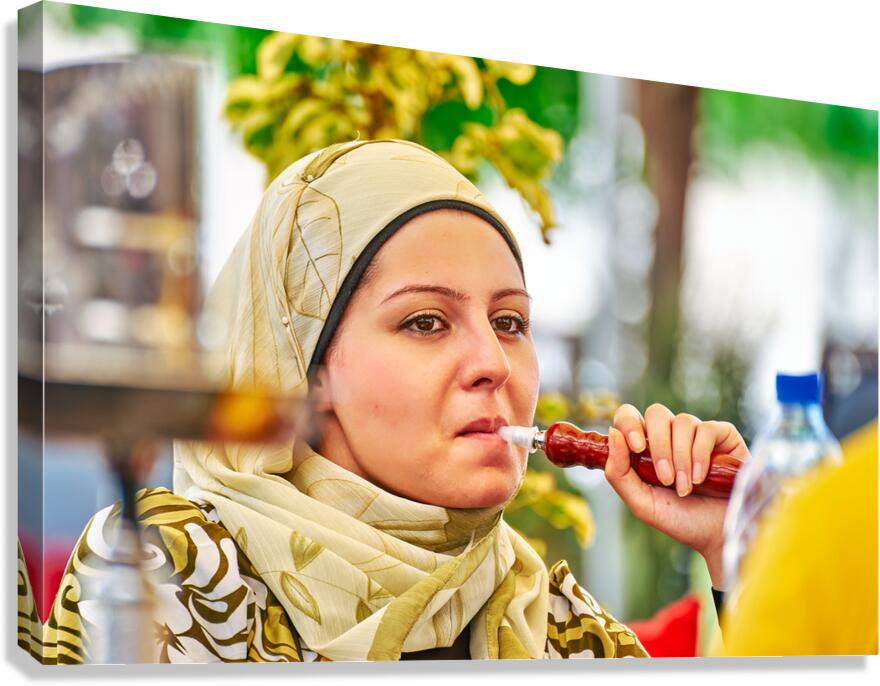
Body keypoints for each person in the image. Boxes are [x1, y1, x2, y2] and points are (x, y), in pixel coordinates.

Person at [18, 139, 747, 663]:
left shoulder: (559, 625)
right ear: (306, 370)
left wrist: (737, 548)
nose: (494, 364)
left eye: (510, 322)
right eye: (425, 321)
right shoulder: (170, 570)